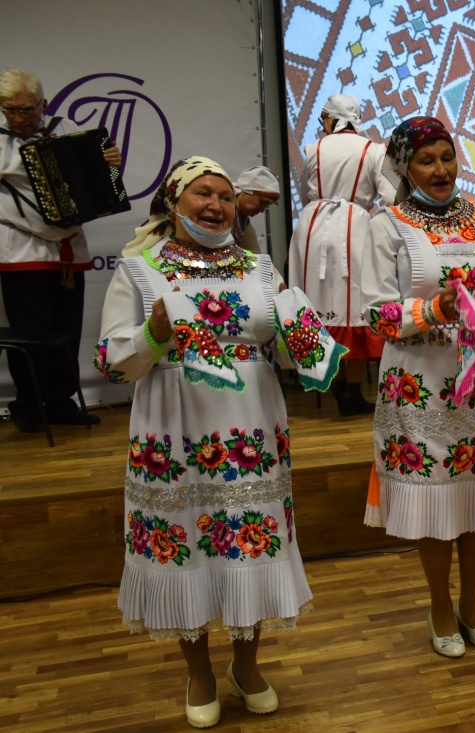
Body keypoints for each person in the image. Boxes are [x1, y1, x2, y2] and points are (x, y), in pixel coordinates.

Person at [95, 157, 331, 728]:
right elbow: (109, 360)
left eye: (226, 197)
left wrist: (304, 335)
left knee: (249, 542)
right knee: (190, 545)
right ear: (175, 201)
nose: (216, 206)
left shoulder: (258, 267)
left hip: (249, 425)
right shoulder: (140, 268)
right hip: (174, 429)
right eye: (204, 193)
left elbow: (289, 347)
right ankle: (199, 670)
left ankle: (246, 666)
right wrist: (153, 331)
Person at [362, 116, 475, 658]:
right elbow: (375, 312)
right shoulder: (385, 225)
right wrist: (437, 307)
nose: (441, 169)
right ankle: (439, 604)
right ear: (405, 168)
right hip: (419, 381)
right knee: (436, 498)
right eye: (427, 160)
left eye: (447, 157)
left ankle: (473, 602)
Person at [1, 69, 121, 433]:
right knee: (31, 331)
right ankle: (28, 404)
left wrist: (107, 160)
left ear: (43, 104)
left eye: (26, 110)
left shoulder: (65, 127)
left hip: (69, 249)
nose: (18, 118)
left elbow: (96, 175)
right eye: (10, 111)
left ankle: (61, 400)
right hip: (22, 251)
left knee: (66, 327)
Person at [290, 94, 395, 415]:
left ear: (331, 119)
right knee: (357, 303)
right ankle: (349, 388)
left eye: (323, 117)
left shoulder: (313, 149)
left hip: (312, 227)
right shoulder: (374, 150)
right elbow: (390, 197)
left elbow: (307, 187)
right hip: (355, 227)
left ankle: (324, 376)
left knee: (315, 301)